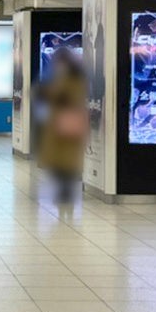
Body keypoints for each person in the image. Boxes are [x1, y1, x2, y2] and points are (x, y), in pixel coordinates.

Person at [38, 48, 88, 201]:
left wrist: (49, 93)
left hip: (66, 122)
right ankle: (63, 188)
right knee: (61, 159)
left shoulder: (72, 79)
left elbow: (64, 96)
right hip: (62, 122)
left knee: (66, 158)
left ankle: (65, 189)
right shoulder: (64, 77)